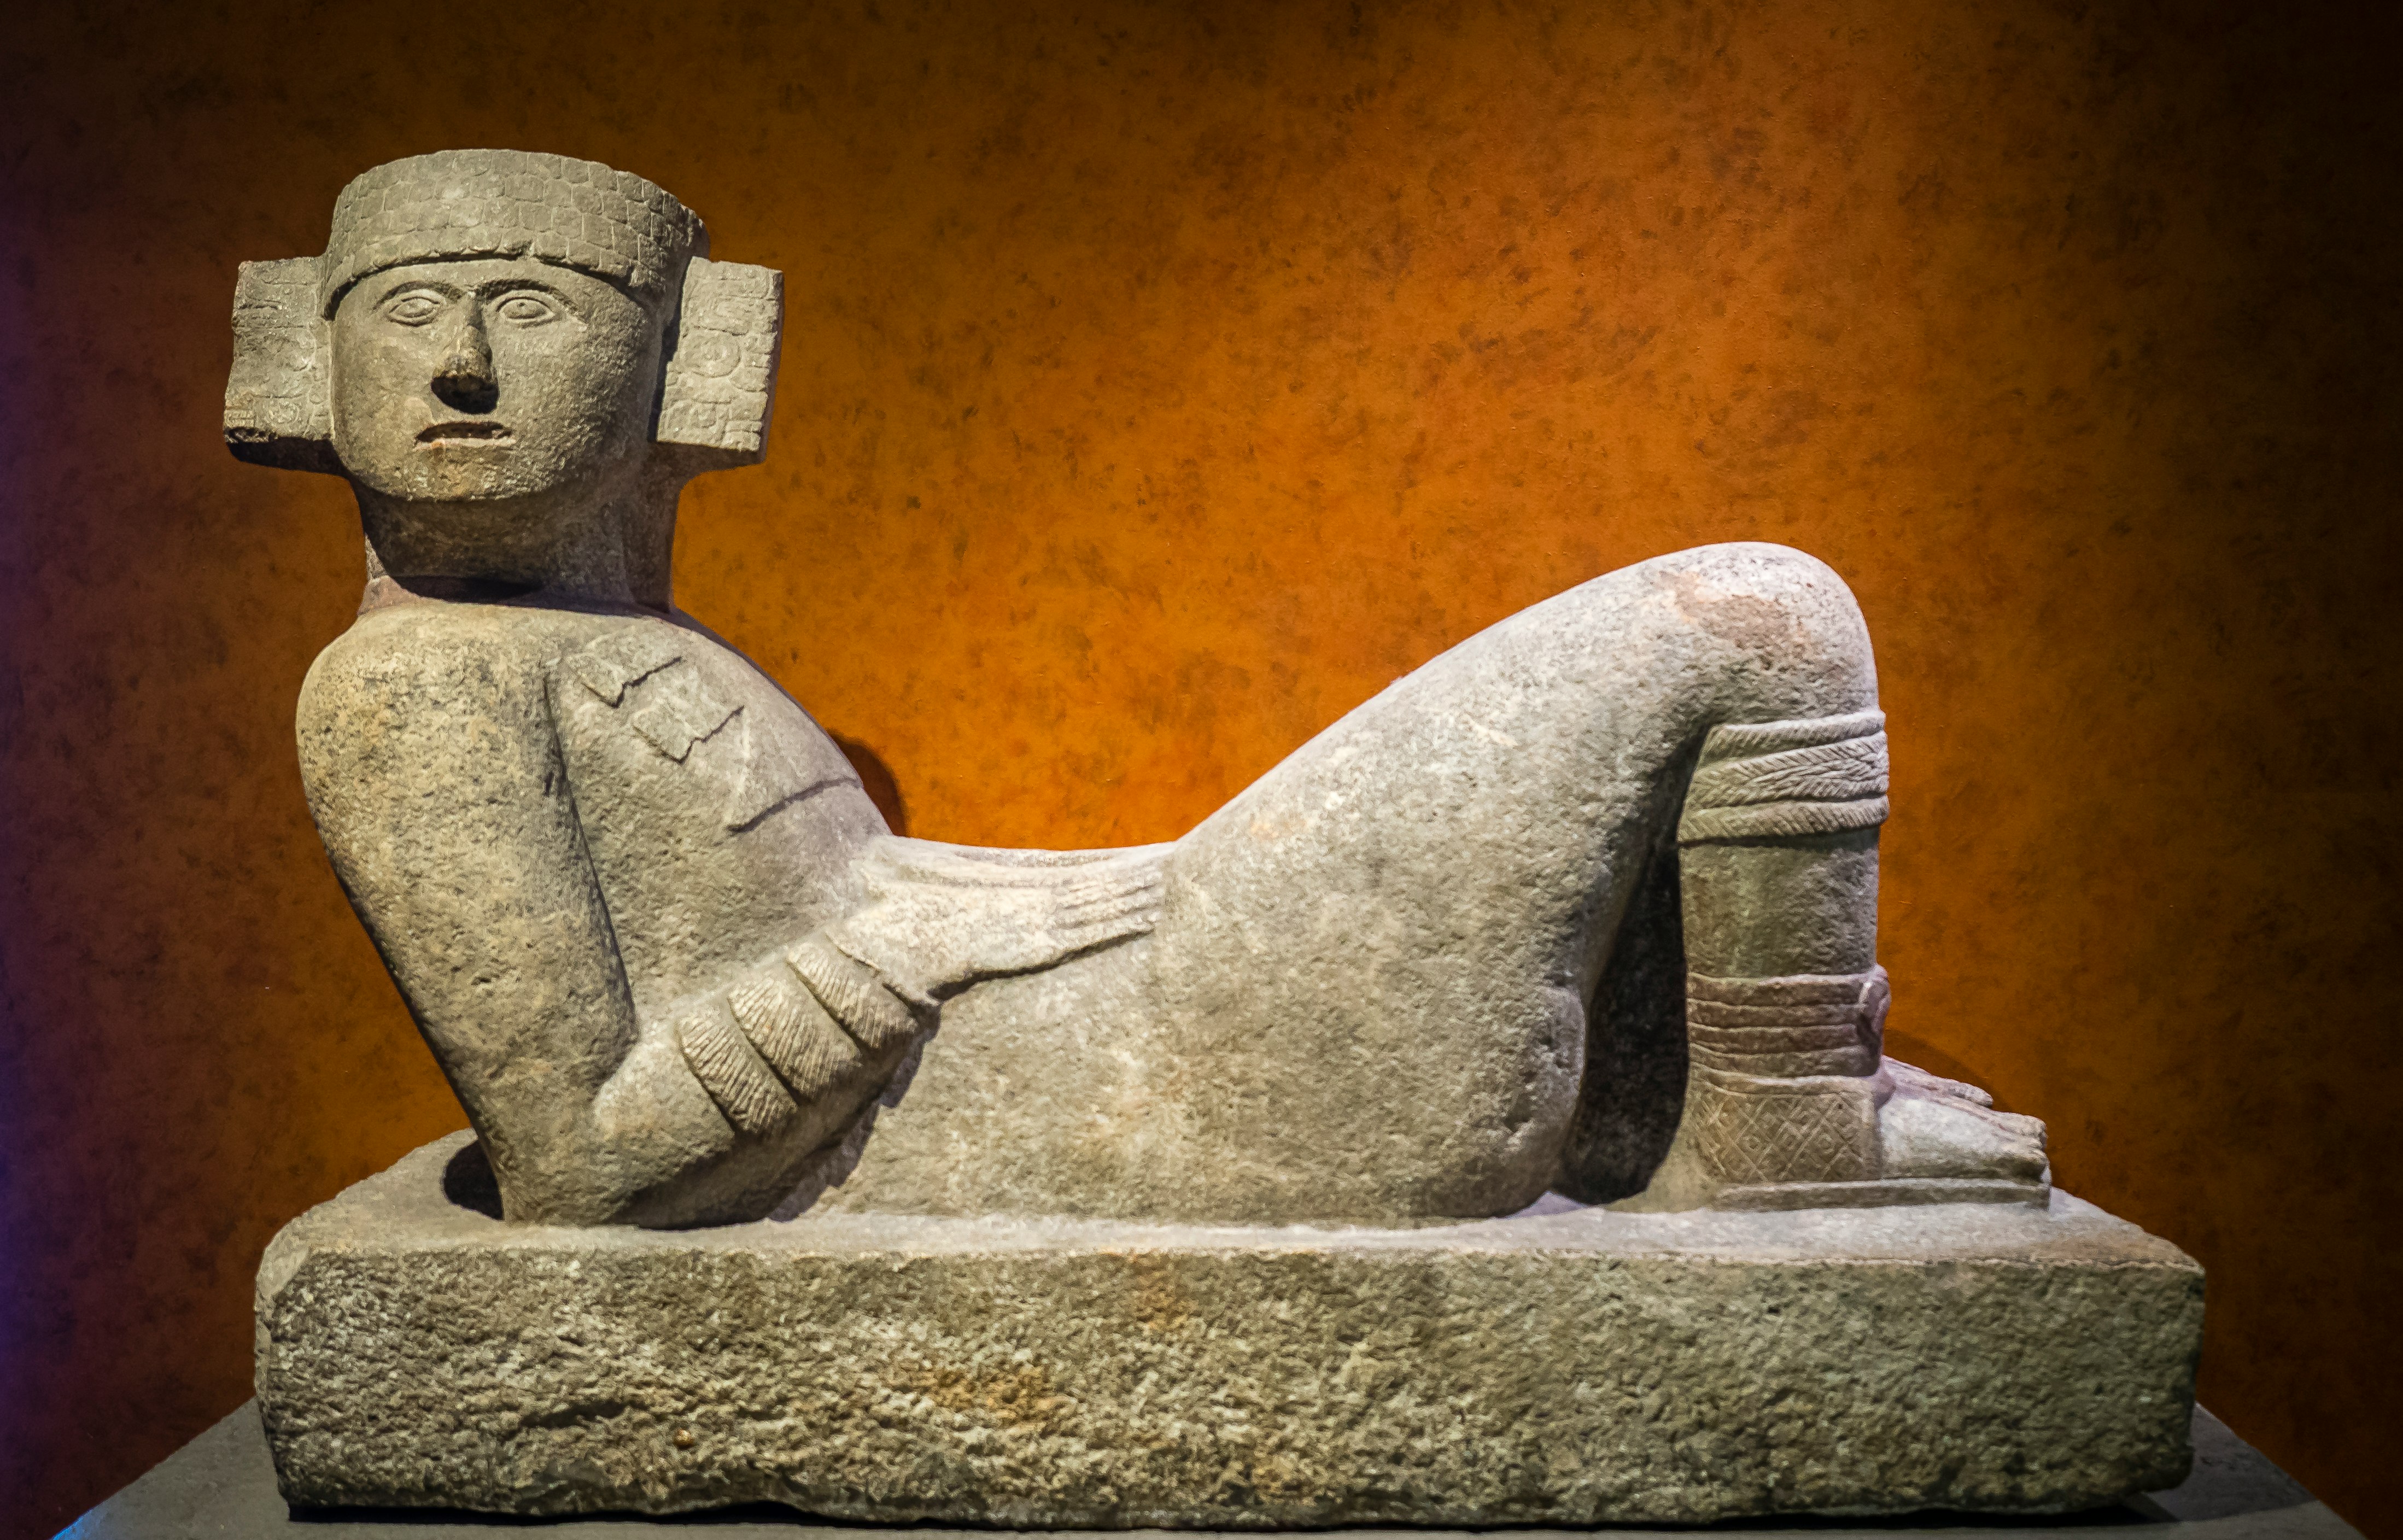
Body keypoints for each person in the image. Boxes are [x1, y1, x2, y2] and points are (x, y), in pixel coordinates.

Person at [232, 151, 2045, 1227]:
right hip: (1165, 1068)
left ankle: (1706, 1111)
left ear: (684, 365)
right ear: (302, 356)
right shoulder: (410, 696)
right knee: (1759, 615)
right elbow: (585, 1167)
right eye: (405, 311)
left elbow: (847, 903)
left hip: (1131, 1018)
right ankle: (1791, 1122)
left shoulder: (606, 647)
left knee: (1732, 633)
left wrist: (1011, 892)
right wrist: (927, 941)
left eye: (533, 309)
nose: (458, 367)